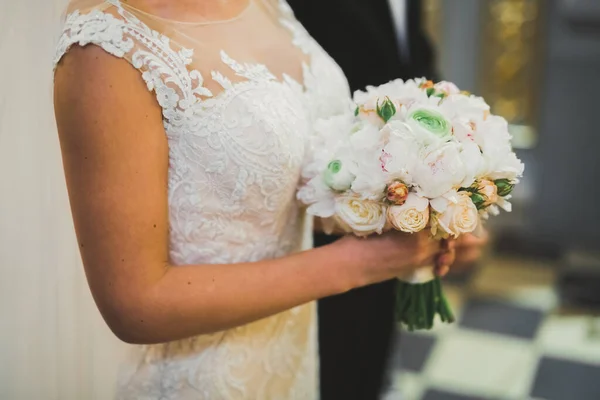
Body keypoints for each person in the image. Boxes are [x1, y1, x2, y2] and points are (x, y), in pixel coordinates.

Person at [52, 0, 456, 398]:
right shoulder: (107, 44)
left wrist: (398, 202)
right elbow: (136, 304)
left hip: (291, 361)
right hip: (201, 380)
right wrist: (364, 263)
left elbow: (266, 188)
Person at [287, 0, 488, 398]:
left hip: (395, 226)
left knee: (368, 362)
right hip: (314, 221)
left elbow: (411, 66)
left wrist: (453, 194)